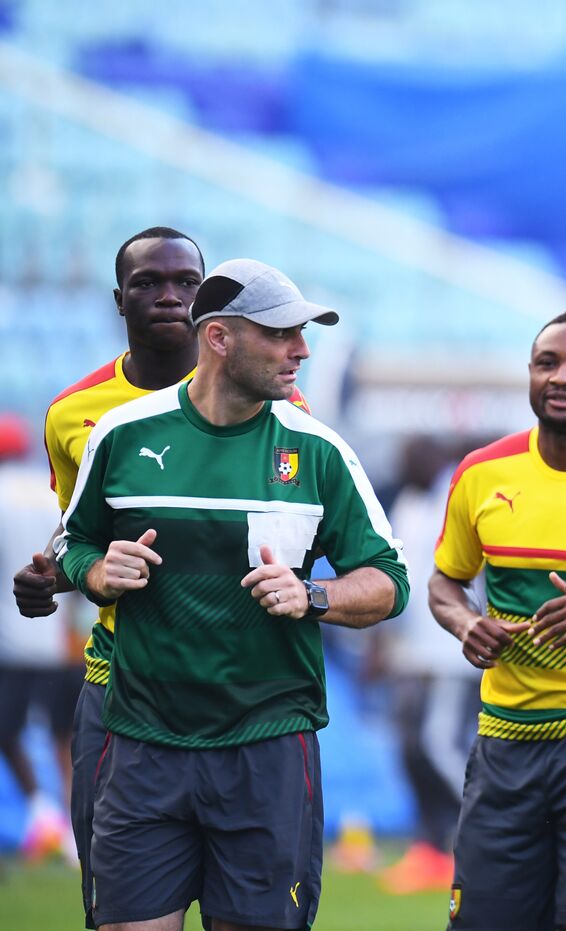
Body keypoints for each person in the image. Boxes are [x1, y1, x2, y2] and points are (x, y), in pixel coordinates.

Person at [55, 258, 407, 931]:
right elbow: (73, 543)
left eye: (304, 333)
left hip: (267, 748)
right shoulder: (123, 435)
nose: (301, 350)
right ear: (218, 338)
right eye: (281, 333)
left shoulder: (320, 451)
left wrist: (314, 595)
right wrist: (99, 572)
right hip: (142, 744)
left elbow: (389, 582)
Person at [430, 309, 566, 930]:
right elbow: (444, 581)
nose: (561, 376)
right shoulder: (482, 472)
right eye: (547, 362)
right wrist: (464, 621)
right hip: (505, 745)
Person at [15, 227, 204, 927]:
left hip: (239, 690)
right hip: (119, 683)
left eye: (186, 282)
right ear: (117, 298)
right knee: (119, 912)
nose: (169, 295)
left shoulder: (267, 405)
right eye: (150, 282)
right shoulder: (73, 412)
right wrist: (54, 576)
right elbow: (79, 536)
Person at [370, 435, 478, 895]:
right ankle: (432, 845)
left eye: (418, 454)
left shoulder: (448, 500)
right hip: (411, 655)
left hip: (449, 655)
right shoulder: (411, 504)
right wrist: (382, 644)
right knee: (411, 749)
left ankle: (484, 827)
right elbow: (397, 575)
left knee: (440, 746)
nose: (407, 462)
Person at [0, 414, 83, 863]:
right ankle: (73, 829)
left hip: (12, 640)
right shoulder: (47, 493)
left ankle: (40, 810)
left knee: (7, 732)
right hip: (63, 639)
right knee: (66, 738)